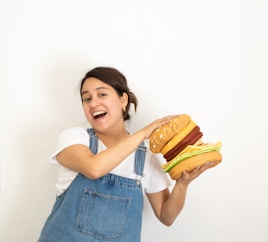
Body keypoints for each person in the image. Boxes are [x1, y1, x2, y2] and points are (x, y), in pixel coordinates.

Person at [38, 66, 213, 242]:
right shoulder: (75, 139)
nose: (92, 103)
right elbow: (94, 168)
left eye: (102, 94)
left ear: (123, 100)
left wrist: (182, 185)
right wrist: (143, 133)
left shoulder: (145, 157)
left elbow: (166, 216)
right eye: (86, 99)